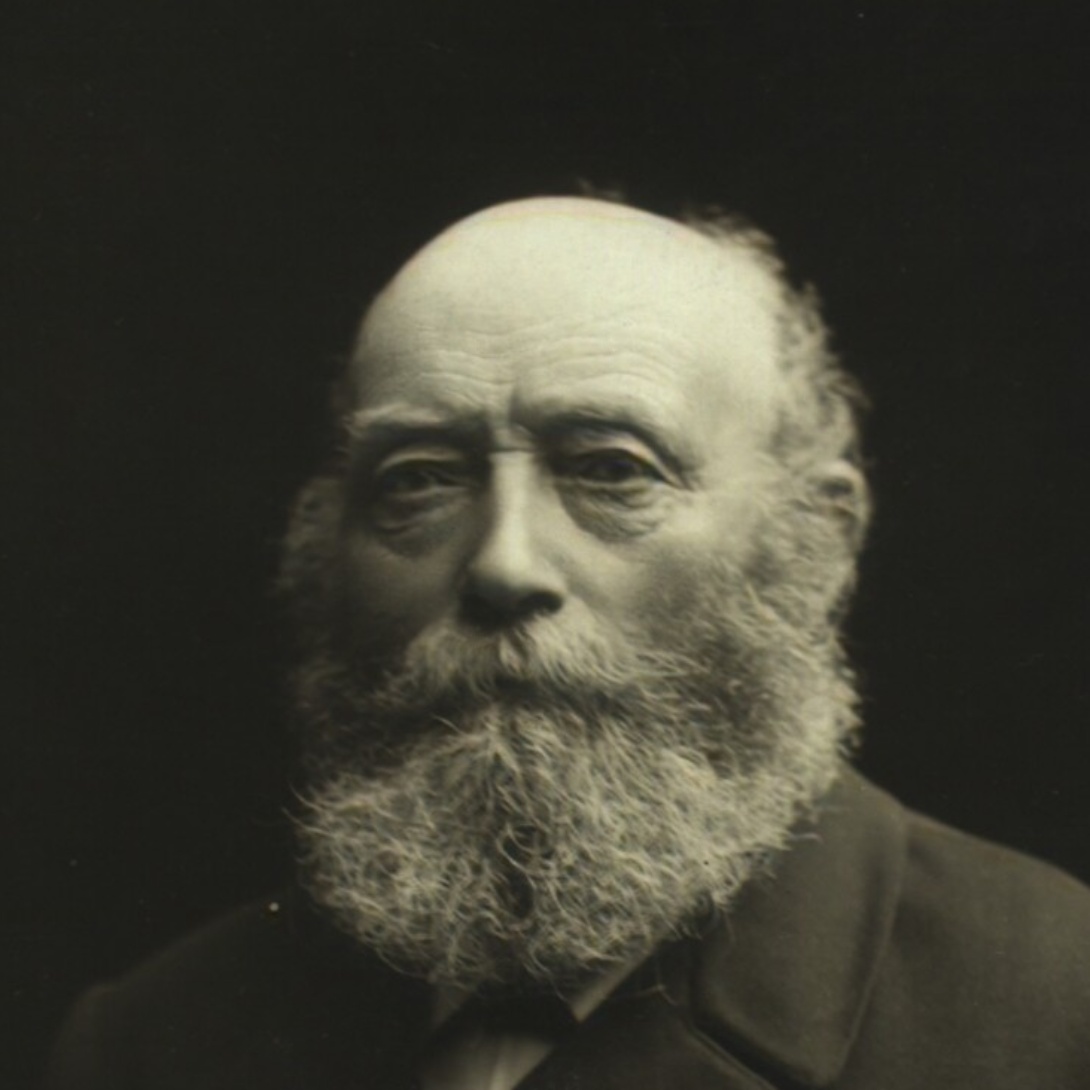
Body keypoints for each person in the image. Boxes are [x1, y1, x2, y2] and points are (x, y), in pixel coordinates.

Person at [47, 196, 1090, 1089]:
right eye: (419, 479)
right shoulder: (143, 1046)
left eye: (612, 469)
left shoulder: (1055, 1017)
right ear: (326, 550)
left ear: (815, 541)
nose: (503, 564)